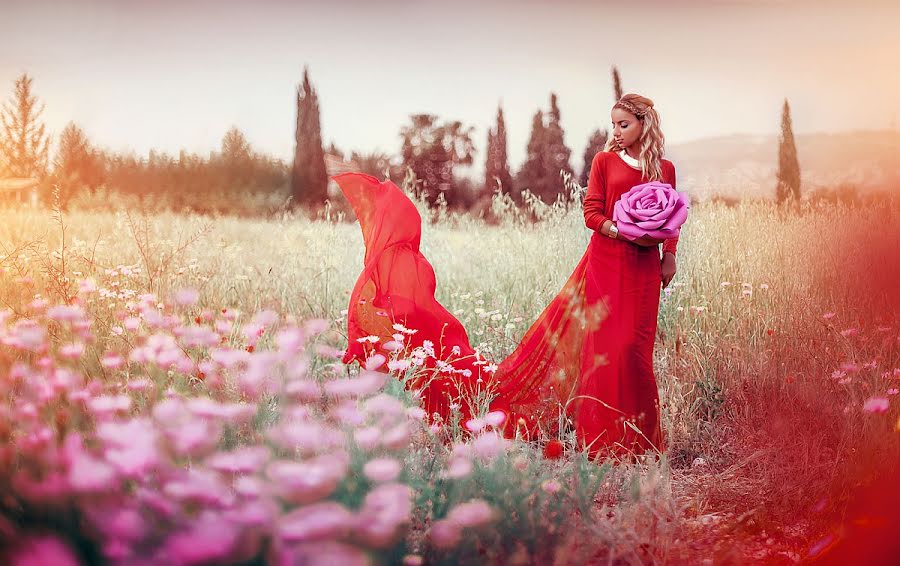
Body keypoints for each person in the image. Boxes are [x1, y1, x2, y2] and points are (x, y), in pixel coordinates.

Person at [334, 93, 680, 460]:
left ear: (645, 124)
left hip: (645, 270)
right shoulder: (604, 162)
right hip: (607, 263)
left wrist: (669, 255)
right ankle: (604, 443)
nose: (617, 131)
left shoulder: (665, 169)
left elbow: (671, 216)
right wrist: (621, 230)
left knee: (636, 351)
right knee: (608, 348)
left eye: (624, 124)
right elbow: (591, 213)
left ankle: (643, 442)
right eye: (614, 124)